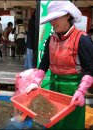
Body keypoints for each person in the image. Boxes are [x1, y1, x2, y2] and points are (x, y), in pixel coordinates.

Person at [24, 1, 93, 129]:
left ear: (68, 15)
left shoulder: (82, 39)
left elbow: (90, 69)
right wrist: (36, 81)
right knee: (54, 121)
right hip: (54, 89)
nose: (52, 23)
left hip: (73, 92)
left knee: (70, 123)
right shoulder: (51, 39)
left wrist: (81, 91)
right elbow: (44, 63)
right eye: (51, 19)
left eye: (56, 18)